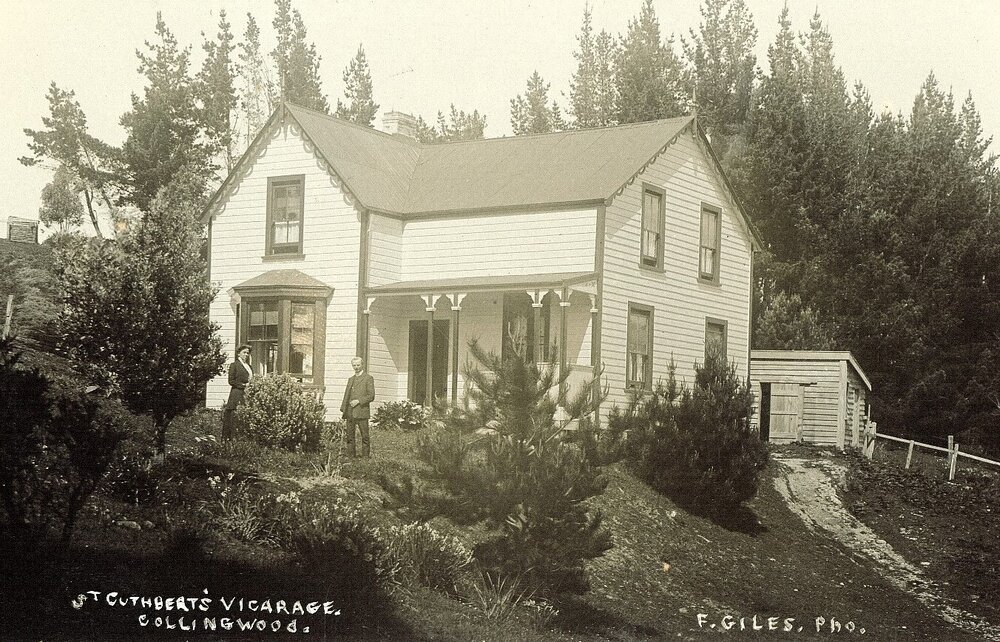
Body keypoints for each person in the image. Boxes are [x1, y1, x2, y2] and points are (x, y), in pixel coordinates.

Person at [340, 356, 375, 457]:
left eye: (358, 365)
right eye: (354, 365)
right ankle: (351, 456)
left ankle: (365, 457)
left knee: (365, 436)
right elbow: (346, 395)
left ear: (362, 365)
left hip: (362, 411)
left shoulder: (368, 378)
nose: (356, 367)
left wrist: (358, 401)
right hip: (350, 412)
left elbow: (371, 396)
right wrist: (344, 410)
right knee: (350, 436)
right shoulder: (351, 379)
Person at [222, 344, 252, 441]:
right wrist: (243, 385)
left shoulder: (249, 366)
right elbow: (231, 381)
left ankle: (242, 439)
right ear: (238, 353)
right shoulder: (234, 365)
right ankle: (231, 439)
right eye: (244, 352)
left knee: (243, 415)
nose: (246, 355)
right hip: (237, 394)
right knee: (234, 416)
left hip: (246, 394)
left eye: (248, 353)